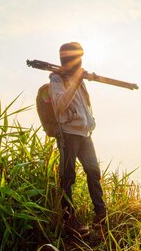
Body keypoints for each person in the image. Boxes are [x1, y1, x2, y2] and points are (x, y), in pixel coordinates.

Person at [49, 42, 106, 236]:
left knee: (93, 172)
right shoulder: (56, 79)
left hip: (84, 134)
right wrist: (74, 81)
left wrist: (80, 79)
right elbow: (59, 105)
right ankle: (69, 221)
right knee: (67, 177)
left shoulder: (79, 79)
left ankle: (101, 215)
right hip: (68, 134)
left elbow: (86, 107)